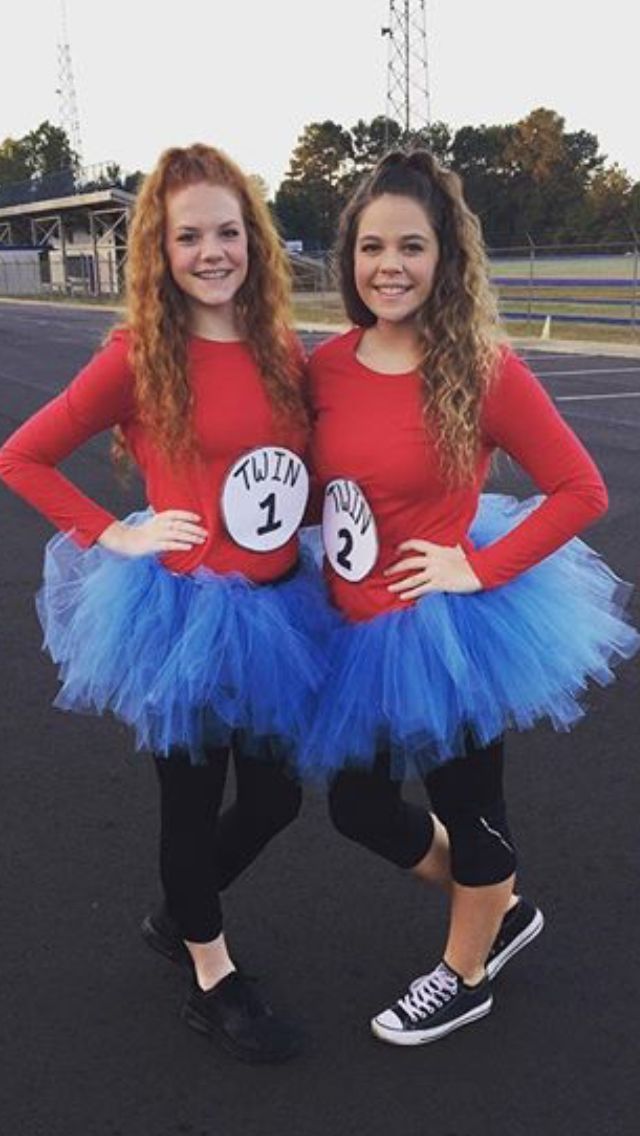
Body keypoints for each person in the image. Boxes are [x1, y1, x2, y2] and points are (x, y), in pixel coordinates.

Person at [0, 143, 334, 1064]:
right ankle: (211, 970)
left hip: (276, 609)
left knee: (271, 800)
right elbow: (21, 455)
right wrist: (116, 534)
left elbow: (290, 477)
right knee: (189, 807)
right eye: (190, 235)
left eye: (229, 231)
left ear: (254, 240)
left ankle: (178, 910)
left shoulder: (278, 348)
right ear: (161, 247)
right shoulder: (138, 355)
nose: (213, 250)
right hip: (185, 613)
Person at [300, 149, 639, 1047]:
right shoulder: (323, 366)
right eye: (373, 247)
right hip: (353, 628)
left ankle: (465, 972)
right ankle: (497, 905)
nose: (390, 266)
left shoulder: (480, 368)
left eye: (412, 246)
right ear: (350, 257)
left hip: (447, 632)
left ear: (445, 256)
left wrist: (475, 569)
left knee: (472, 808)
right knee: (357, 806)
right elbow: (303, 486)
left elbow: (581, 489)